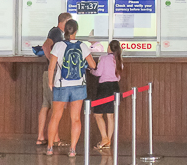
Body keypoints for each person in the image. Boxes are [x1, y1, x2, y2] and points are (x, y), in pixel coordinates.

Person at [45, 19, 97, 156]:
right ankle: (72, 150)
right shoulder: (83, 46)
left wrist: (50, 83)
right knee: (76, 118)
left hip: (61, 85)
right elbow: (93, 65)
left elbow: (51, 67)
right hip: (78, 86)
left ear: (65, 31)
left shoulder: (58, 46)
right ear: (76, 31)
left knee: (55, 117)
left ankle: (50, 148)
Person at [36, 12, 72, 146]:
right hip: (53, 73)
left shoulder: (55, 32)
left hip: (48, 73)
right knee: (55, 105)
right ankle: (55, 139)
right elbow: (46, 46)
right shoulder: (57, 32)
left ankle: (41, 137)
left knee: (46, 105)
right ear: (65, 22)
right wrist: (53, 61)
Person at [89, 40, 123, 150]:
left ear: (109, 48)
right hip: (115, 87)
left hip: (104, 88)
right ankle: (108, 140)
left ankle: (104, 138)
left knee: (98, 114)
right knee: (110, 116)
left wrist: (90, 71)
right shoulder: (119, 60)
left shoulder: (103, 58)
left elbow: (98, 73)